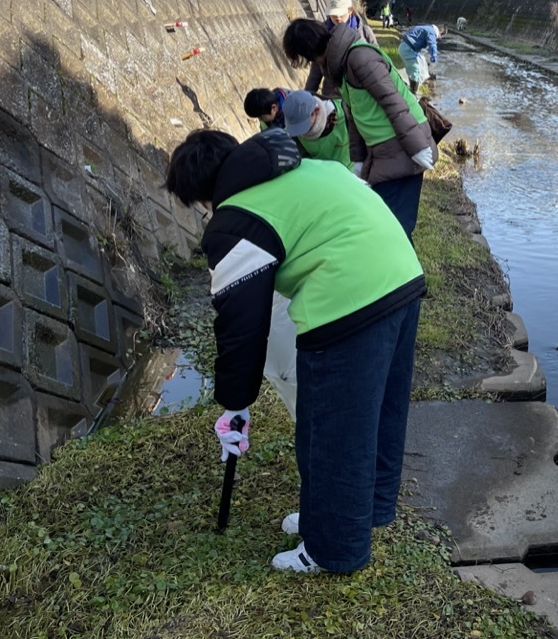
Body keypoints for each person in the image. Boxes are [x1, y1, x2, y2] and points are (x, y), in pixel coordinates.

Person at [165, 128, 425, 575]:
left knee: (330, 428)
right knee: (380, 411)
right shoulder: (304, 167)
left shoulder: (234, 219)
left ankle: (333, 548)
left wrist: (235, 406)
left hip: (350, 300)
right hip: (401, 274)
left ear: (202, 196)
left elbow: (241, 330)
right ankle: (372, 509)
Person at [283, 18, 436, 237]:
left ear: (308, 53)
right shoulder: (338, 66)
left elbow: (392, 100)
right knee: (381, 220)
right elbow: (353, 115)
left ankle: (406, 270)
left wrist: (417, 147)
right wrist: (358, 160)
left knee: (395, 228)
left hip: (404, 145)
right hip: (383, 150)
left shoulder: (359, 57)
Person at [304, 0, 377, 95]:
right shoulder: (322, 35)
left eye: (341, 13)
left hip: (362, 95)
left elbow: (377, 63)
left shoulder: (365, 32)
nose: (337, 17)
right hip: (334, 96)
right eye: (333, 13)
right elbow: (316, 70)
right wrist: (307, 96)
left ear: (350, 10)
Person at [281, 89, 352, 170]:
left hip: (353, 172)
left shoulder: (345, 112)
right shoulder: (295, 135)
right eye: (296, 128)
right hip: (326, 175)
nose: (301, 133)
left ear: (316, 111)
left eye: (303, 126)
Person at [398, 24, 445, 96]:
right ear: (440, 32)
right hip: (407, 49)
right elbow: (432, 44)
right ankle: (413, 95)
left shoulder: (426, 28)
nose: (437, 38)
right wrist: (434, 55)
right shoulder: (432, 32)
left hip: (404, 47)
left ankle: (411, 91)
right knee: (415, 70)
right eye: (439, 37)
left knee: (412, 70)